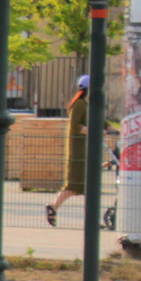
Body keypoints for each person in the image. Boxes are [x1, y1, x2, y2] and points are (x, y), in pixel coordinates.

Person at [46, 74, 90, 226]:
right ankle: (53, 207)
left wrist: (110, 128)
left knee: (88, 184)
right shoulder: (79, 104)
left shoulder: (87, 105)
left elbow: (101, 120)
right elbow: (74, 125)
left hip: (85, 149)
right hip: (78, 150)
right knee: (73, 184)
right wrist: (93, 130)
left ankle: (91, 218)